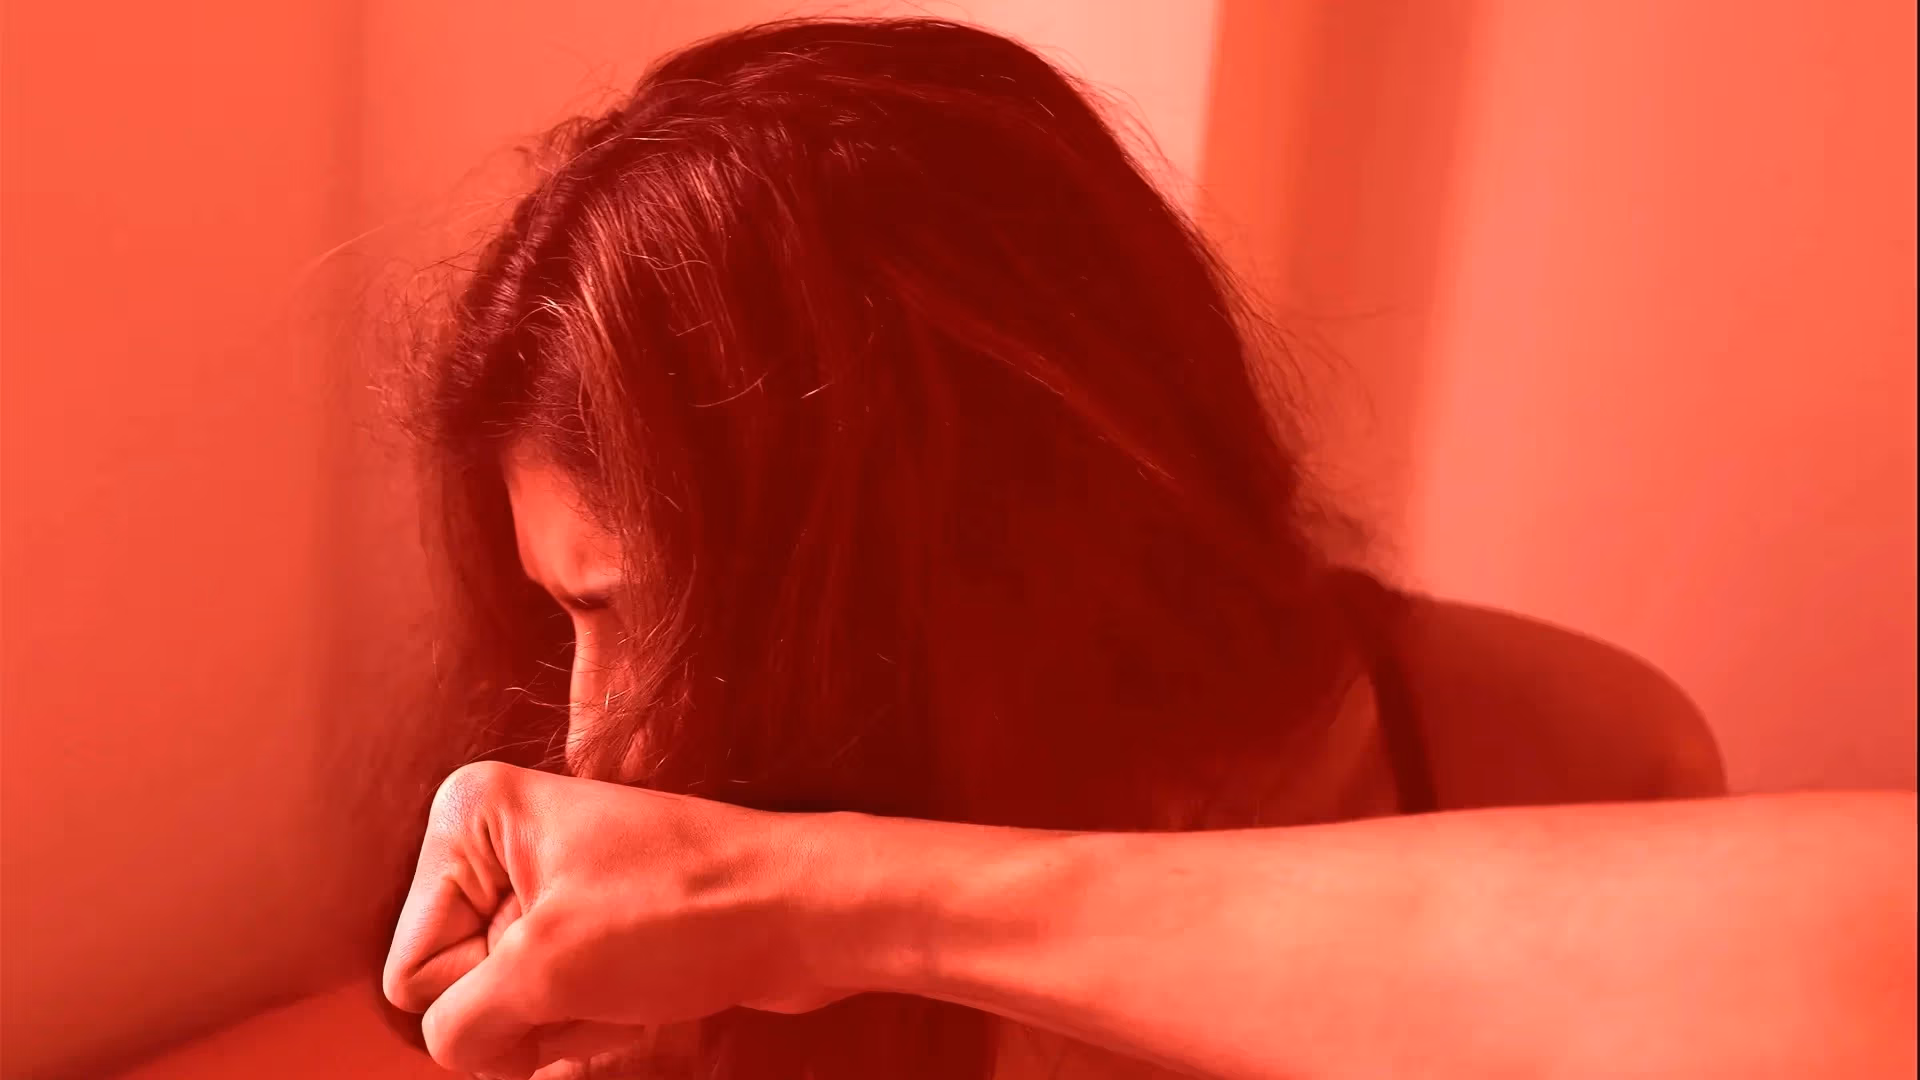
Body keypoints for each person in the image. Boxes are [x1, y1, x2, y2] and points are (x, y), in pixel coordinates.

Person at [382, 15, 1754, 1079]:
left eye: (641, 619)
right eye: (565, 620)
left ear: (962, 550)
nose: (593, 743)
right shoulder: (668, 919)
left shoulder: (1567, 763)